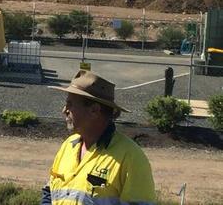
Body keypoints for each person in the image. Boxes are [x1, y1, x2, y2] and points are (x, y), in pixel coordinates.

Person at [41, 70, 155, 205]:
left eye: (70, 104)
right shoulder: (68, 146)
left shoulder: (130, 157)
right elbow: (49, 192)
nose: (64, 110)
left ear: (94, 110)